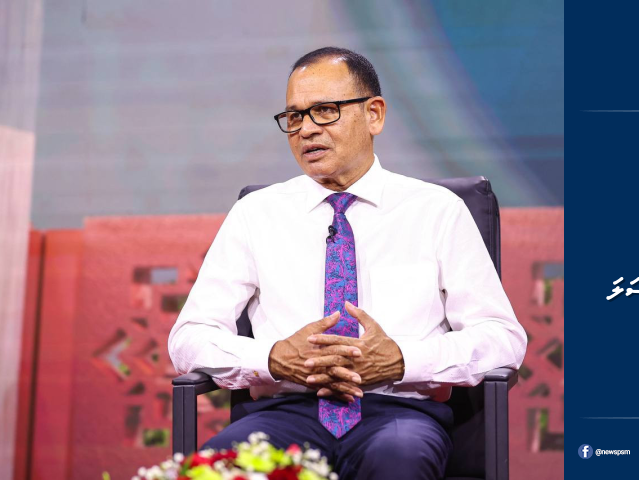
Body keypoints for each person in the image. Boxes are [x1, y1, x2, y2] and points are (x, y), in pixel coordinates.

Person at [167, 46, 526, 480]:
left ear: (374, 114)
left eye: (325, 111)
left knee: (399, 458)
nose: (305, 130)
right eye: (294, 116)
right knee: (219, 464)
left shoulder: (436, 210)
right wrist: (273, 357)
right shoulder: (256, 214)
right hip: (285, 413)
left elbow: (502, 338)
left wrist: (403, 360)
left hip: (398, 413)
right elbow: (189, 337)